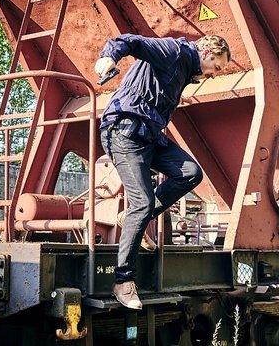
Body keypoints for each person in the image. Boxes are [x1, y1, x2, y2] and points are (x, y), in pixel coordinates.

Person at [95, 33, 231, 310]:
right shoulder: (174, 51)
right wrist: (109, 56)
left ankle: (133, 218)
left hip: (150, 135)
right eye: (216, 67)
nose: (215, 75)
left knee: (190, 172)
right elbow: (131, 41)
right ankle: (123, 281)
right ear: (206, 51)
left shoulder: (185, 70)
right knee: (142, 202)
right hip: (124, 131)